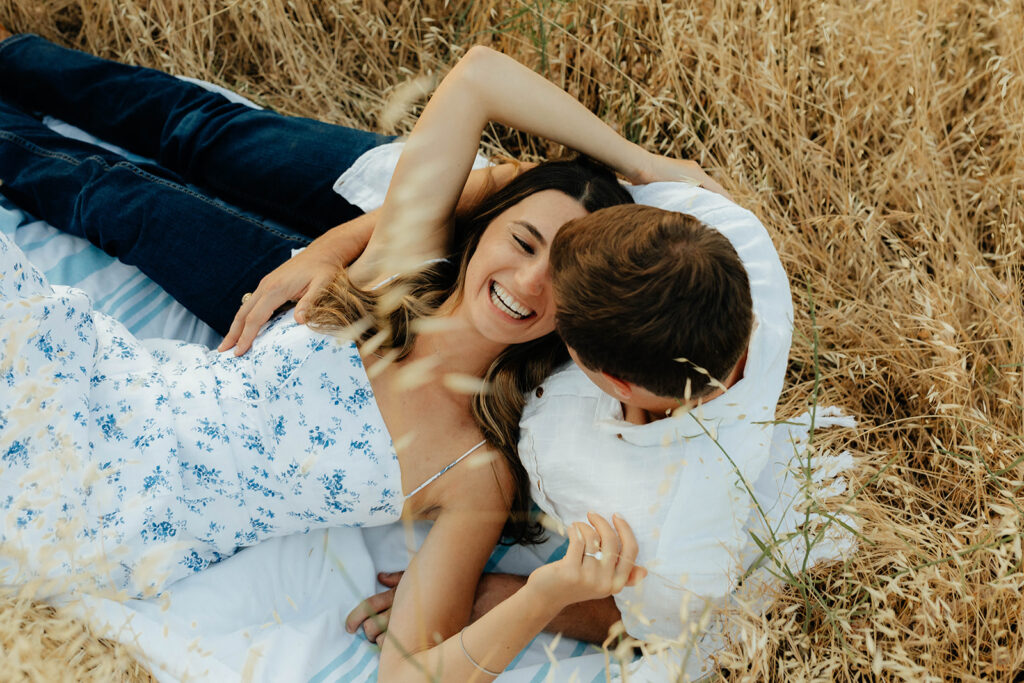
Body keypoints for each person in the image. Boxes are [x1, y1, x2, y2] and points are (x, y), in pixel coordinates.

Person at [0, 31, 734, 680]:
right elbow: (479, 75)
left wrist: (540, 594)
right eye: (523, 241)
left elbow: (411, 673)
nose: (528, 283)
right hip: (91, 373)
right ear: (481, 228)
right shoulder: (393, 267)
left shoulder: (476, 470)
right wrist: (639, 164)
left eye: (562, 281)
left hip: (111, 508)